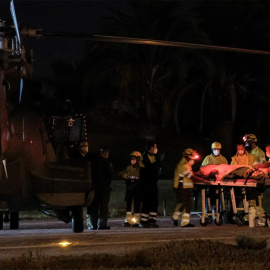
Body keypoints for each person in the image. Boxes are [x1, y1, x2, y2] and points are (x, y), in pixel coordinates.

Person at [172, 148, 210, 227]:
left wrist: (200, 174)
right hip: (181, 188)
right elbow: (191, 176)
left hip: (185, 188)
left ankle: (179, 220)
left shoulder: (186, 165)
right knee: (184, 203)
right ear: (187, 157)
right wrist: (203, 181)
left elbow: (192, 174)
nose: (193, 161)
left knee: (185, 204)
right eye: (191, 159)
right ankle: (180, 220)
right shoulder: (182, 166)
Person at [87, 146, 113, 230]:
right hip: (103, 188)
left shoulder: (93, 162)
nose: (107, 155)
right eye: (107, 153)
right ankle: (102, 225)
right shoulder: (107, 163)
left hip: (94, 187)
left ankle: (93, 224)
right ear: (104, 153)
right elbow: (110, 174)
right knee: (103, 207)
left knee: (93, 206)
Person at [139, 141, 161, 228]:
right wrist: (158, 162)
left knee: (154, 202)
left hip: (153, 183)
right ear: (151, 148)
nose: (156, 148)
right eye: (155, 147)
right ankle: (143, 221)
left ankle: (152, 221)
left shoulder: (153, 157)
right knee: (146, 201)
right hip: (146, 184)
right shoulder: (144, 157)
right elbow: (150, 168)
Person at [120, 151, 142, 227]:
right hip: (129, 188)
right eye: (131, 159)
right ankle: (128, 221)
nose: (132, 160)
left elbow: (141, 179)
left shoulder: (140, 168)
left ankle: (137, 221)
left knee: (137, 204)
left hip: (137, 189)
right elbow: (127, 176)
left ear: (138, 159)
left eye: (134, 159)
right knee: (128, 204)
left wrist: (135, 185)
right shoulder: (129, 167)